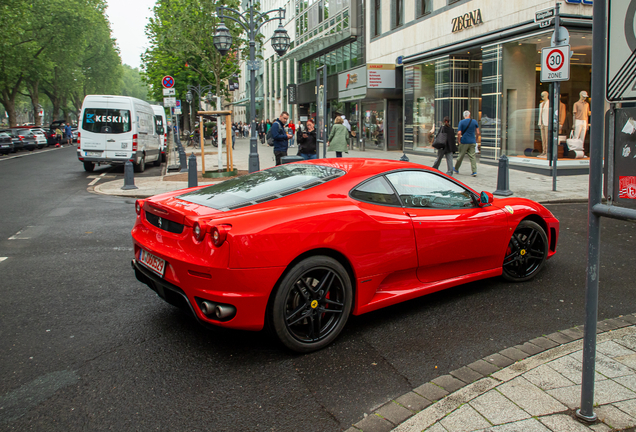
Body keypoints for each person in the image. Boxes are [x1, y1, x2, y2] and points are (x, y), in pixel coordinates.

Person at [454, 110, 480, 177]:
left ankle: (456, 168)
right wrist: (476, 139)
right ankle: (474, 171)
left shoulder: (461, 122)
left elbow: (459, 132)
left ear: (463, 115)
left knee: (461, 155)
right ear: (469, 115)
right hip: (472, 141)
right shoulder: (474, 121)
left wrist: (459, 140)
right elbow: (478, 132)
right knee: (472, 156)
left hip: (464, 141)